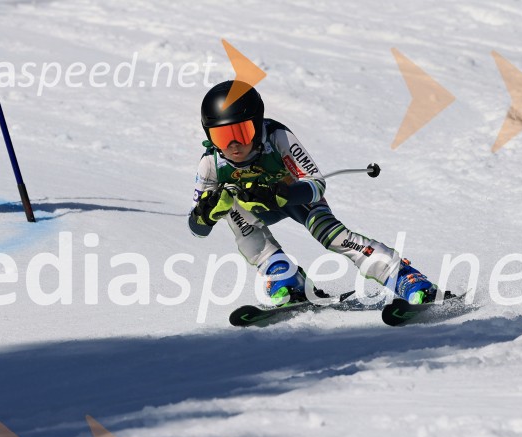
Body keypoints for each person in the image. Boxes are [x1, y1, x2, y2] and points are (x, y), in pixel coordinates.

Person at [188, 80, 443, 306]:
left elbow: (317, 185)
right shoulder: (211, 163)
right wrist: (205, 215)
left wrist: (282, 194)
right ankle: (282, 274)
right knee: (228, 205)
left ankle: (404, 276)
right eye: (222, 136)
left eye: (241, 133)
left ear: (257, 124)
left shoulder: (276, 136)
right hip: (254, 212)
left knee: (333, 236)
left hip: (295, 198)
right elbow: (196, 229)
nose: (233, 146)